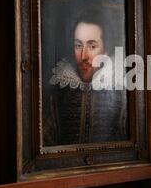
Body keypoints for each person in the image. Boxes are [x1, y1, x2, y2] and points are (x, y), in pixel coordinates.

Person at [43, 15, 128, 146]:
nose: (83, 56)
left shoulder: (122, 91)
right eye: (78, 45)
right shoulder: (57, 90)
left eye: (92, 46)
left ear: (106, 50)